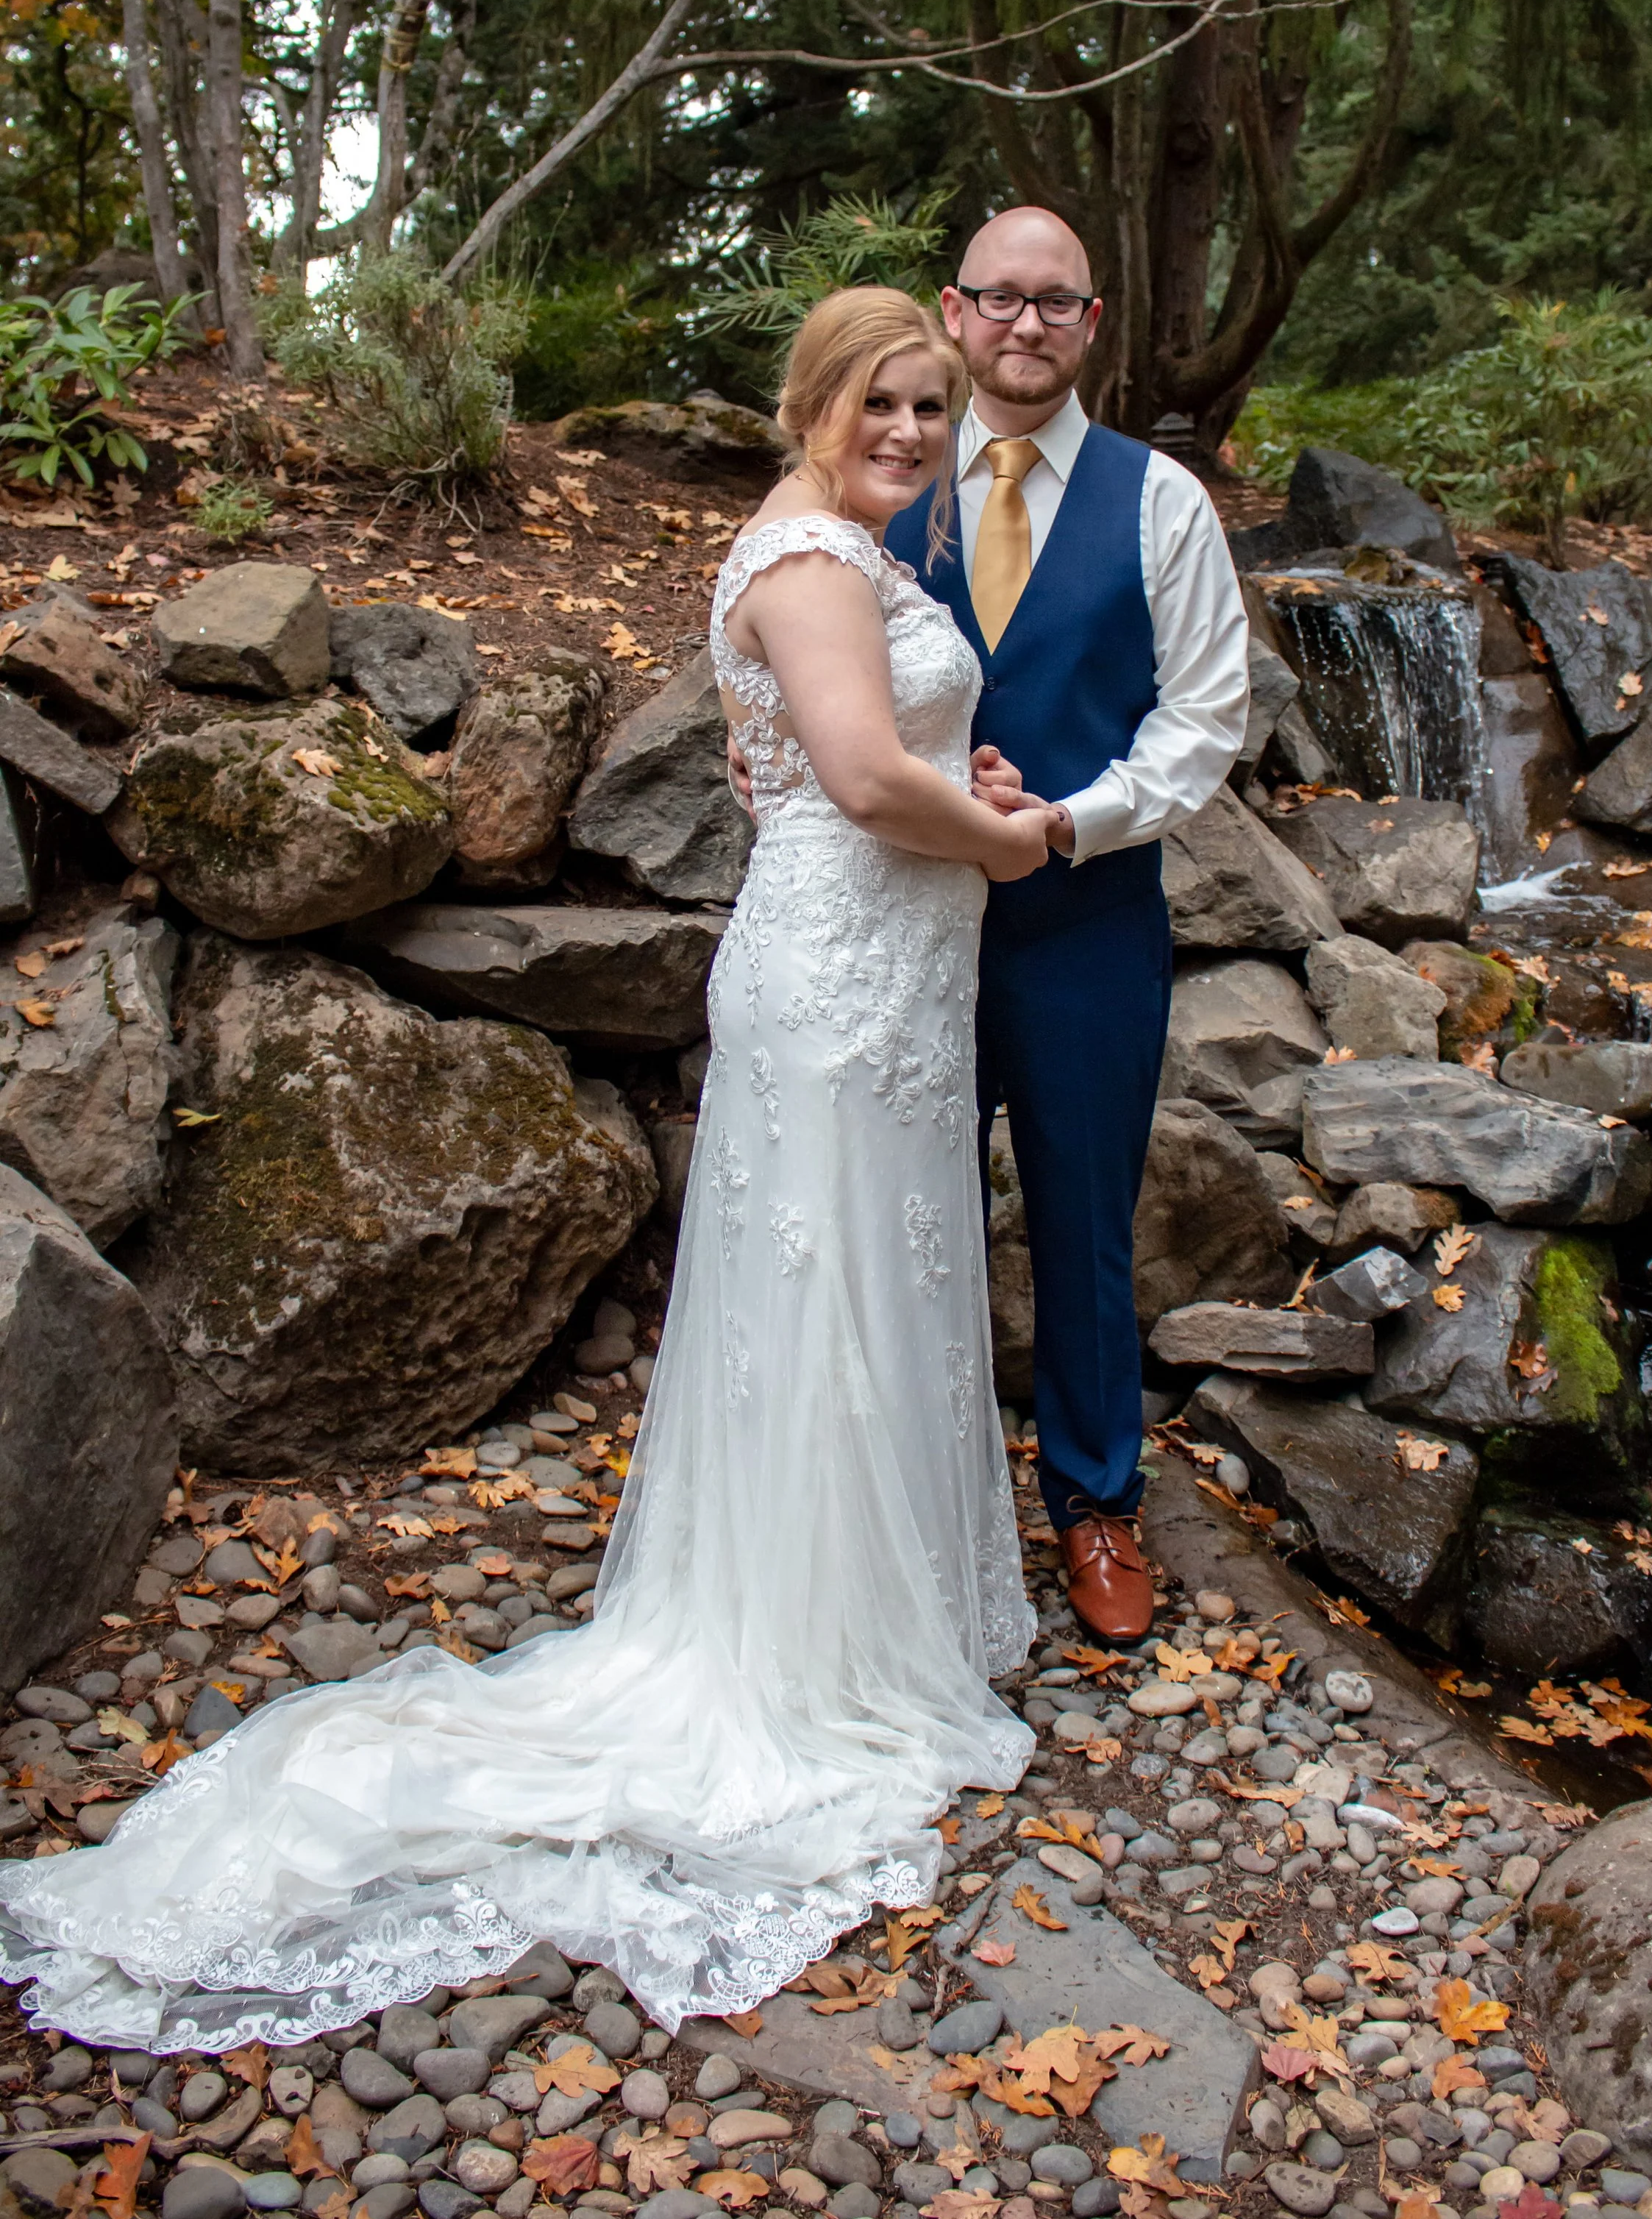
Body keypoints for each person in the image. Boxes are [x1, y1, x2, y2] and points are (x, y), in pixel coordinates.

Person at [0, 287, 1053, 2056]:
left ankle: (875, 1620)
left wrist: (967, 770)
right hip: (842, 968)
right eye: (884, 400)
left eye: (934, 409)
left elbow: (857, 755)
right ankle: (802, 1662)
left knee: (880, 1282)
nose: (910, 431)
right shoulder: (804, 560)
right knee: (832, 1289)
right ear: (814, 399)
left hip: (885, 975)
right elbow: (865, 781)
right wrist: (1006, 837)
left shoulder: (846, 559)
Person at [883, 207, 1249, 1646]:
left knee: (1084, 1222)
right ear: (954, 313)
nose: (1022, 326)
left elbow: (1202, 720)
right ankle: (912, 1501)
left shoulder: (1161, 504)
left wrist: (1066, 824)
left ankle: (1094, 1505)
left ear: (1090, 323)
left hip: (1085, 921)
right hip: (903, 919)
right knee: (904, 1213)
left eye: (1052, 304)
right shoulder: (887, 484)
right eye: (997, 300)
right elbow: (793, 652)